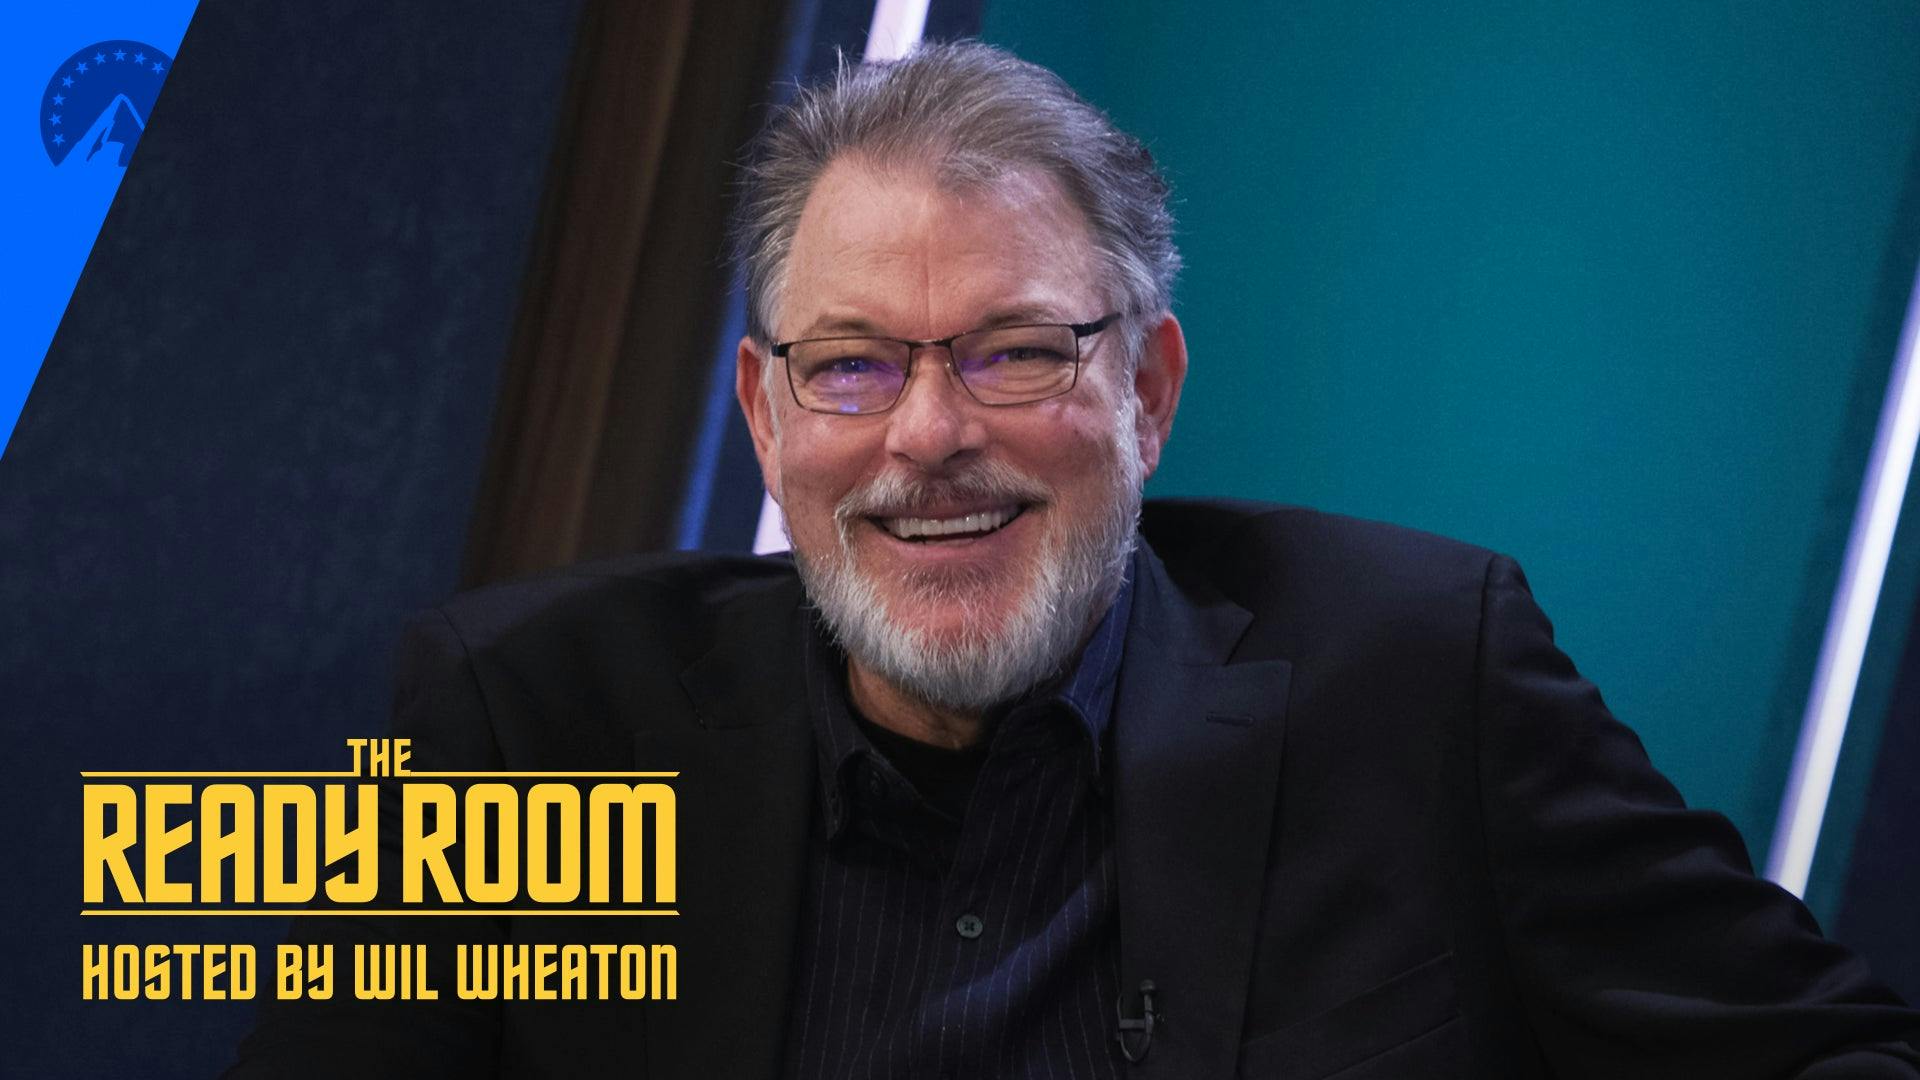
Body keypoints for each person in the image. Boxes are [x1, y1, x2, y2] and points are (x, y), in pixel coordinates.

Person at [233, 40, 1920, 1078]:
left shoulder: (1421, 673)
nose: (926, 436)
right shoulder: (533, 719)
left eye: (1017, 353)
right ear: (766, 411)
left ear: (1150, 392)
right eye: (852, 365)